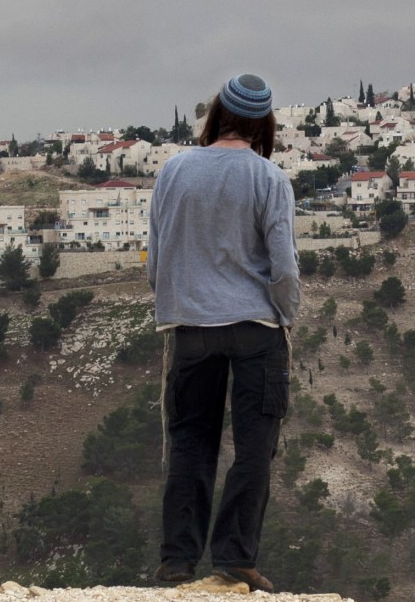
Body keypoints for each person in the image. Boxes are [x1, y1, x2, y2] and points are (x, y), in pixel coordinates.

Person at [147, 73, 299, 592]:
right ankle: (235, 559)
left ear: (215, 114)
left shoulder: (173, 171)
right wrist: (287, 315)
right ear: (264, 124)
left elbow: (158, 258)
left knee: (190, 442)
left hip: (190, 328)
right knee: (255, 446)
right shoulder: (269, 178)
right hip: (255, 328)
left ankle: (177, 561)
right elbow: (283, 267)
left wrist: (177, 301)